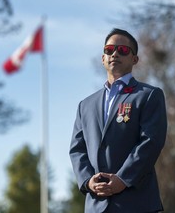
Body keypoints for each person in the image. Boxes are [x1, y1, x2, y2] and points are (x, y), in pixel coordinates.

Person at [69, 28, 167, 213]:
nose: (114, 53)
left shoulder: (149, 95)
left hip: (137, 203)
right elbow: (77, 150)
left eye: (122, 50)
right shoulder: (85, 105)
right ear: (103, 58)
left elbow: (151, 142)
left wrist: (123, 179)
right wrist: (88, 181)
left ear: (134, 59)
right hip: (96, 206)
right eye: (109, 49)